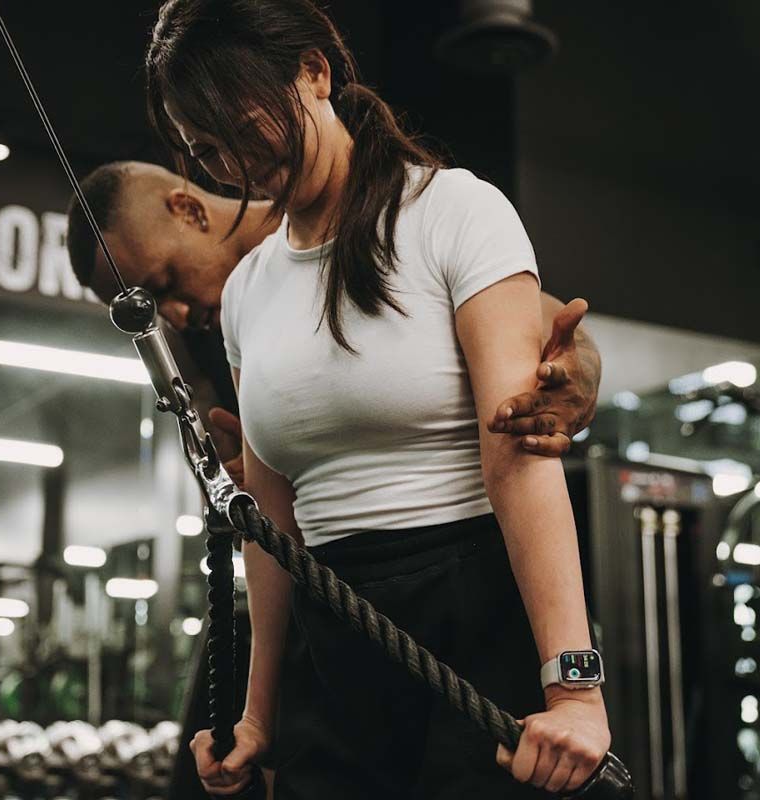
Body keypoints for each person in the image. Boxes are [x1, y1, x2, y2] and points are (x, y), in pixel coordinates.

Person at [133, 0, 613, 798]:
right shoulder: (250, 290)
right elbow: (272, 520)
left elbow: (518, 458)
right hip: (334, 629)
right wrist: (258, 714)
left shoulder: (454, 212)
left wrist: (574, 688)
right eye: (205, 149)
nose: (232, 165)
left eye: (238, 127)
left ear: (314, 73)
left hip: (472, 613)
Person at [66, 161, 602, 490]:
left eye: (165, 283)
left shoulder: (340, 227)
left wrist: (581, 363)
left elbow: (546, 317)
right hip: (319, 584)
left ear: (188, 210)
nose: (175, 315)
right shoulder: (209, 330)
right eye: (154, 308)